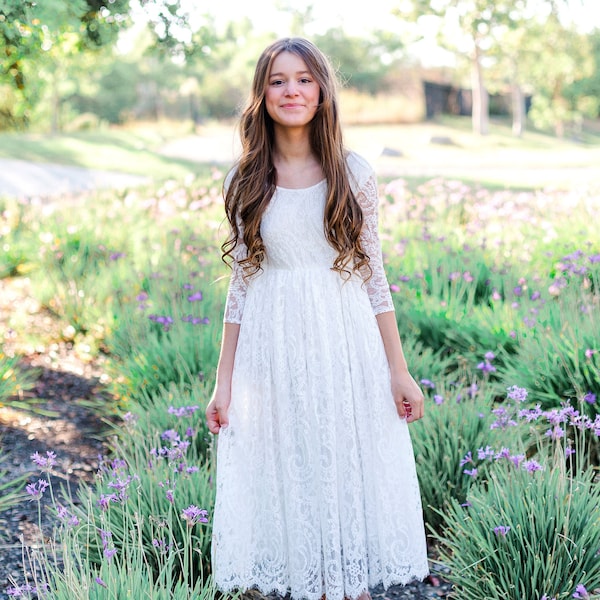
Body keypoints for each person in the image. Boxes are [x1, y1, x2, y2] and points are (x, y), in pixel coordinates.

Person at [205, 37, 429, 600]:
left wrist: (398, 370)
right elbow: (241, 282)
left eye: (304, 78)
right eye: (278, 80)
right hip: (273, 341)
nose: (292, 90)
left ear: (322, 90)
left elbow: (374, 276)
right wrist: (223, 380)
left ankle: (348, 587)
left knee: (343, 463)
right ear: (262, 94)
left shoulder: (353, 173)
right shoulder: (244, 181)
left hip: (344, 337)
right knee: (292, 466)